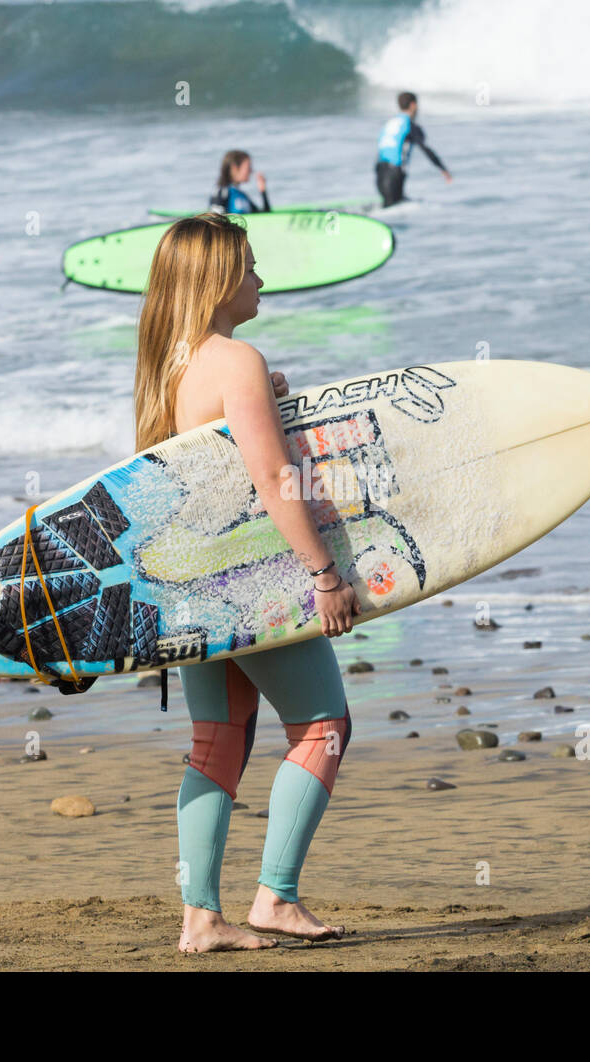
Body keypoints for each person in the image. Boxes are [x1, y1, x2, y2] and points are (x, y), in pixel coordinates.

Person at [132, 213, 361, 953]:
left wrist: (264, 397)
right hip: (246, 580)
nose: (261, 278)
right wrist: (324, 574)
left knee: (216, 745)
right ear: (221, 278)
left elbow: (194, 475)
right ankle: (276, 899)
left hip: (187, 582)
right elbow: (270, 479)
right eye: (252, 265)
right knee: (323, 727)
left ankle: (200, 917)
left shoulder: (168, 362)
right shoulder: (236, 359)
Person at [374, 91, 452, 207]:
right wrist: (443, 169)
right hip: (394, 175)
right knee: (393, 211)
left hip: (380, 173)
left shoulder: (390, 123)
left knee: (390, 205)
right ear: (413, 105)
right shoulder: (409, 125)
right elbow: (426, 149)